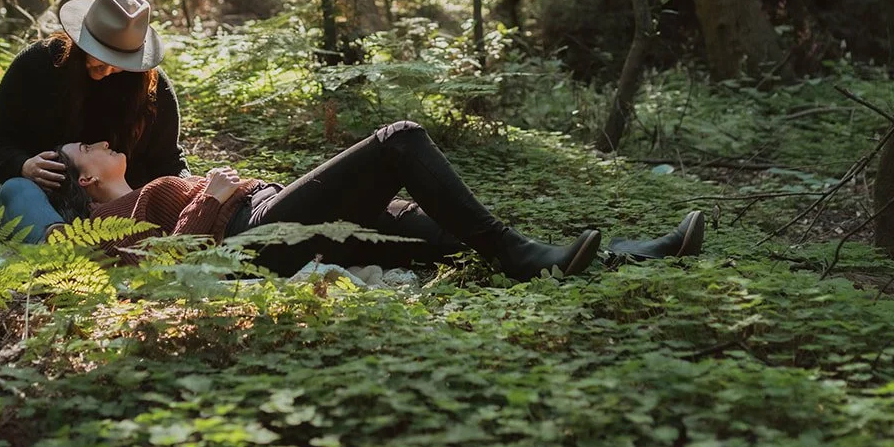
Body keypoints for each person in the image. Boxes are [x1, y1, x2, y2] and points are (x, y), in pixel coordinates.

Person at [44, 120, 614, 281]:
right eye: (85, 147)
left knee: (445, 236)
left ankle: (616, 254)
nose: (100, 141)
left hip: (280, 217)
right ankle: (521, 255)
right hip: (255, 236)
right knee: (398, 139)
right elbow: (169, 271)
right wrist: (211, 198)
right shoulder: (107, 219)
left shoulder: (151, 184)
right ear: (86, 181)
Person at [0, 0, 186, 243]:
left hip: (124, 212)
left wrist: (186, 195)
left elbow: (169, 161)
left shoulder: (153, 89)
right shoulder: (36, 66)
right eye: (102, 56)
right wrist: (23, 165)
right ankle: (59, 246)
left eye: (120, 62)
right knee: (16, 190)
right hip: (46, 201)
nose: (109, 68)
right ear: (80, 39)